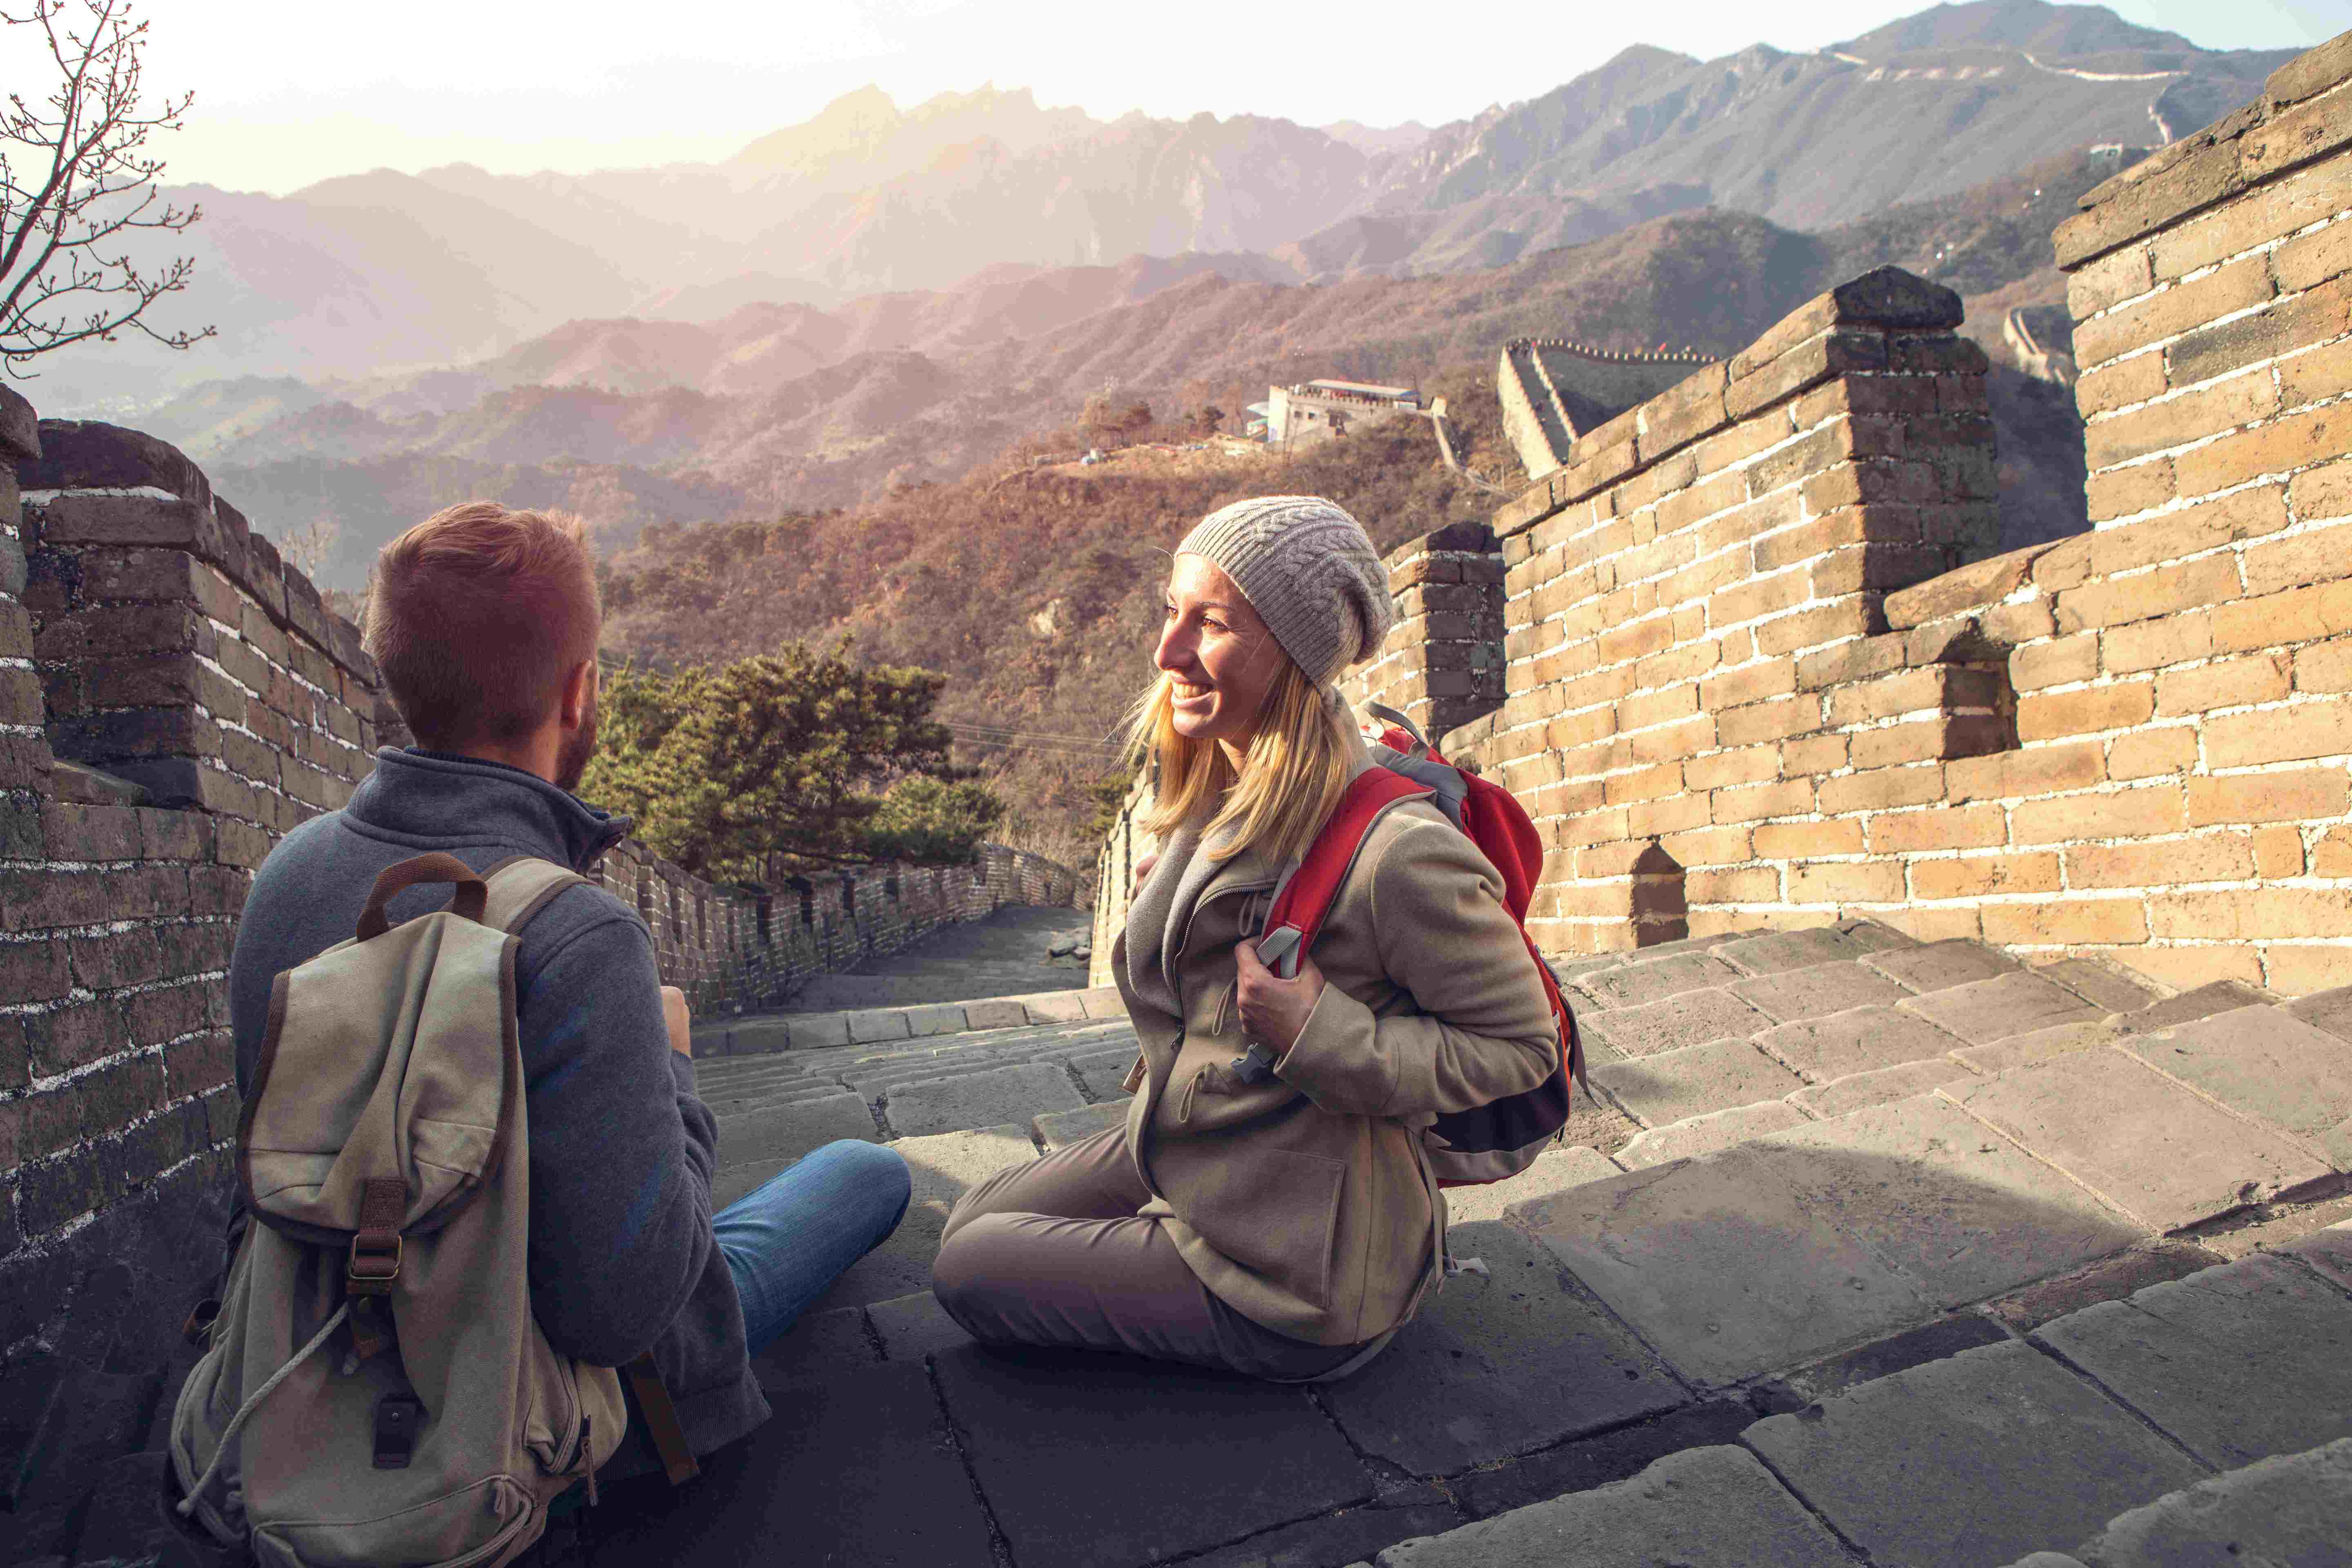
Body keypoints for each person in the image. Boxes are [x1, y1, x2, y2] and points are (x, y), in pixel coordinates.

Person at [223, 501, 911, 1481]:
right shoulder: (575, 934)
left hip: (315, 1374)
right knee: (864, 1171)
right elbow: (624, 1313)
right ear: (581, 692)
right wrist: (672, 1066)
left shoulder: (288, 874)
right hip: (538, 1415)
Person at [930, 495, 1556, 1379]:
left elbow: (1519, 1047)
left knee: (967, 1270)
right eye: (1170, 611)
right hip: (1206, 1145)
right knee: (967, 1221)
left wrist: (1318, 1034)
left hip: (1302, 1268)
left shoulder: (1398, 854)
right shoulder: (1218, 790)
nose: (1167, 652)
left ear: (1296, 656)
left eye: (1212, 623)